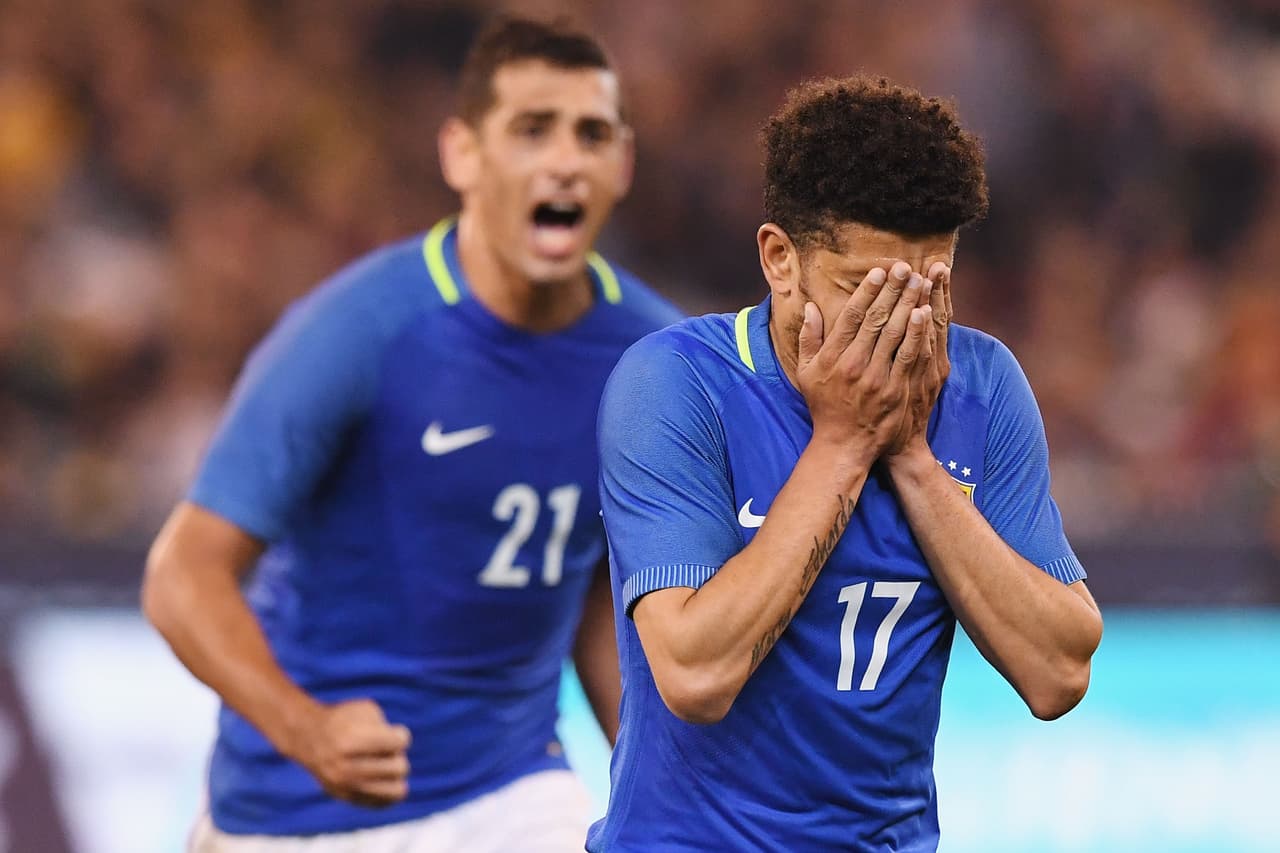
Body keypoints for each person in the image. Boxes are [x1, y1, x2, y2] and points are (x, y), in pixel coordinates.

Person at [142, 15, 682, 852]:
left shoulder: (654, 358)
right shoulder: (362, 328)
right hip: (296, 806)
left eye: (592, 134)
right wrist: (307, 728)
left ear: (623, 164)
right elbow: (183, 572)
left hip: (509, 788)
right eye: (532, 130)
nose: (565, 160)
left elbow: (598, 596)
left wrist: (663, 791)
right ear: (462, 154)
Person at [589, 75, 1104, 851]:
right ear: (780, 260)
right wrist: (844, 441)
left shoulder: (983, 386)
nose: (900, 325)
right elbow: (695, 674)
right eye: (864, 290)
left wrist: (913, 456)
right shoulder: (676, 383)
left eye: (929, 290)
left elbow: (1059, 670)